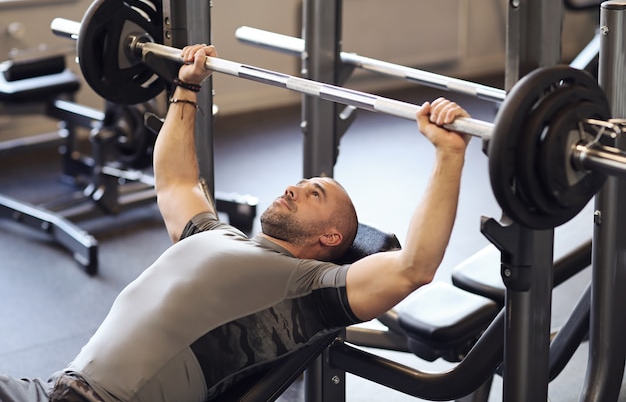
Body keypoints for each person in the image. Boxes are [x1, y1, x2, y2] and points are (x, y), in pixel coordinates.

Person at [0, 44, 471, 402]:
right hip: (51, 388)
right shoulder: (213, 234)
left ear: (331, 236)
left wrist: (448, 154)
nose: (293, 187)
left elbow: (414, 266)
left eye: (314, 193)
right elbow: (175, 182)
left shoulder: (311, 290)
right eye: (300, 181)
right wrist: (187, 88)